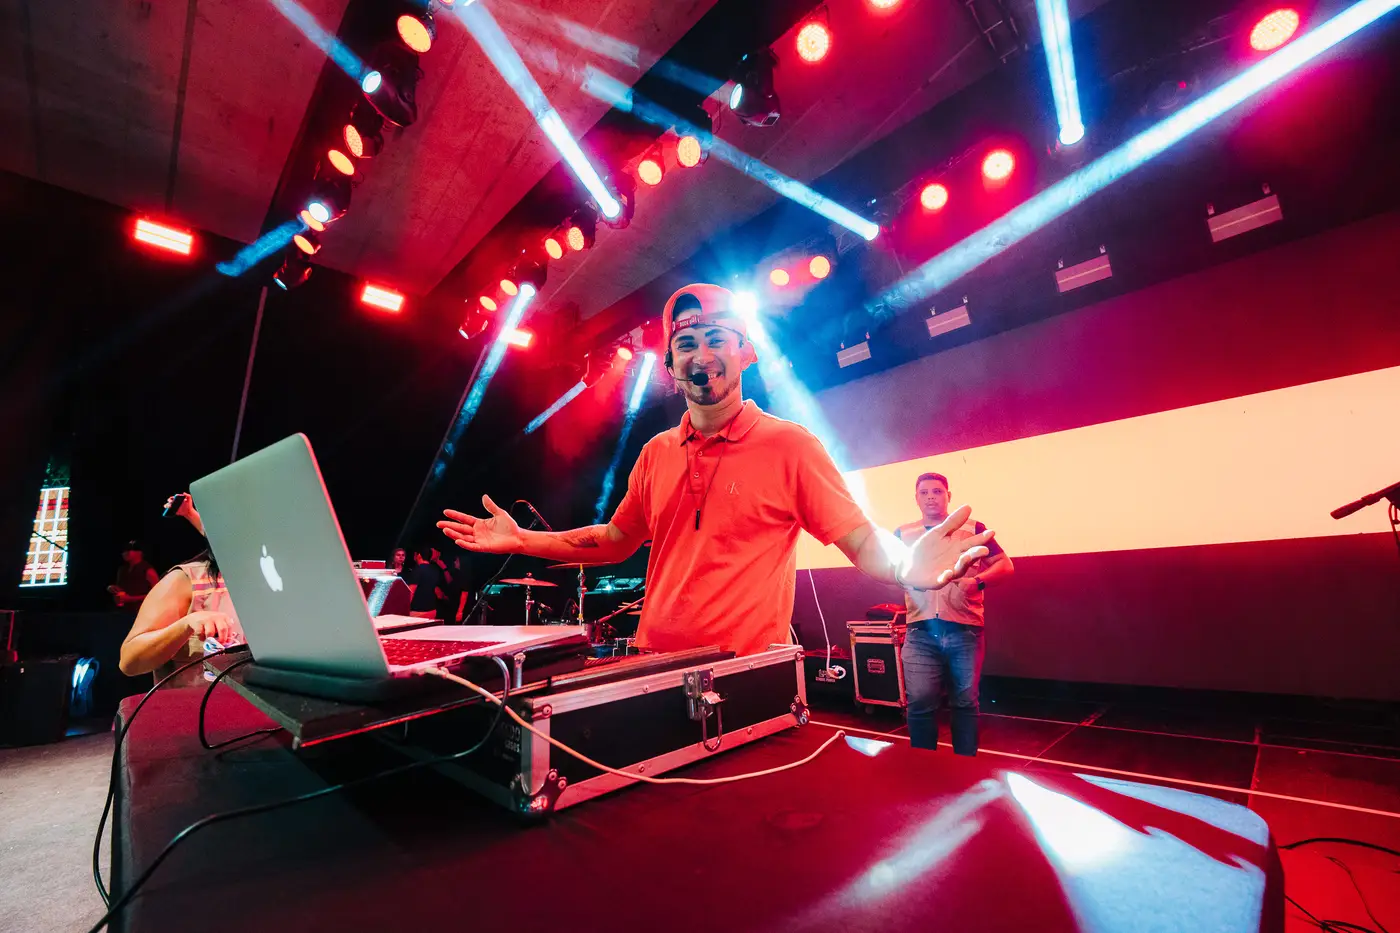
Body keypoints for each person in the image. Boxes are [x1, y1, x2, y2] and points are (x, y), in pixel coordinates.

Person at [440, 283, 994, 657]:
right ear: (670, 366)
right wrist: (524, 540)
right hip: (651, 663)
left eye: (715, 340)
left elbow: (862, 541)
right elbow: (613, 540)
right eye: (685, 344)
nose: (701, 354)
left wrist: (905, 565)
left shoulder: (790, 445)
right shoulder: (656, 452)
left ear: (746, 353)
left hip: (748, 672)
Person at [896, 472, 1015, 756]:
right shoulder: (903, 534)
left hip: (965, 629)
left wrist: (978, 581)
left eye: (937, 491)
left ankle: (965, 765)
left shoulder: (973, 528)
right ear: (916, 498)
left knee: (965, 702)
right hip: (920, 630)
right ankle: (923, 762)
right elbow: (888, 572)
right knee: (920, 701)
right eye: (924, 492)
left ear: (948, 496)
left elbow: (1005, 565)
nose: (930, 497)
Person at [119, 495, 243, 686]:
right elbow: (129, 662)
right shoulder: (185, 580)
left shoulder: (274, 583)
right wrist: (185, 625)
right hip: (193, 703)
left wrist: (189, 513)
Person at [109, 541, 159, 610]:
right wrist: (113, 588)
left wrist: (131, 599)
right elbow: (121, 588)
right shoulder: (122, 569)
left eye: (129, 550)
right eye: (124, 551)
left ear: (140, 553)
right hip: (123, 610)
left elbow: (156, 594)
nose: (125, 553)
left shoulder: (148, 570)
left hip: (141, 610)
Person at [405, 547, 443, 619]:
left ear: (419, 555)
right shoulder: (435, 570)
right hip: (432, 610)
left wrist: (404, 608)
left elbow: (411, 591)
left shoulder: (417, 570)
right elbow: (437, 591)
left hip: (418, 611)